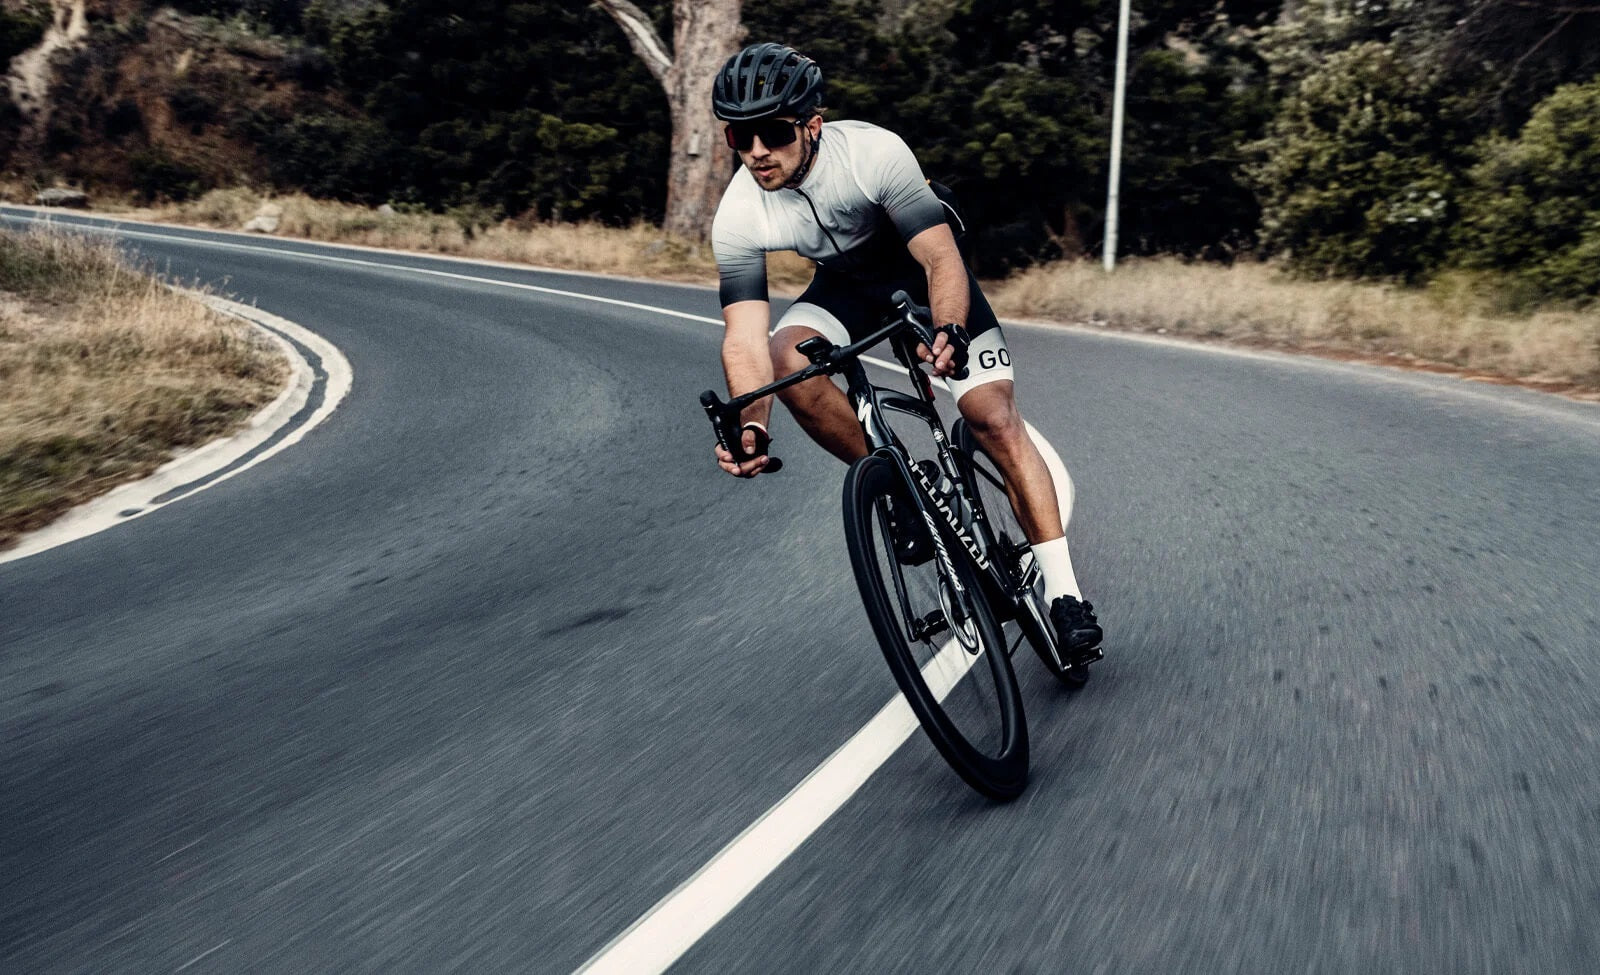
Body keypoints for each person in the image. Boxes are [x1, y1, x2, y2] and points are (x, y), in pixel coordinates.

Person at [707, 41, 1103, 657]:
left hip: (921, 271)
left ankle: (1065, 595)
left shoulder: (871, 151)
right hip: (845, 286)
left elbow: (940, 257)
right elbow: (743, 338)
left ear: (812, 125)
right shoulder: (738, 212)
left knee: (991, 416)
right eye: (740, 137)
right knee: (787, 361)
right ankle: (903, 490)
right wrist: (751, 423)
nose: (757, 152)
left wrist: (947, 329)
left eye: (774, 133)